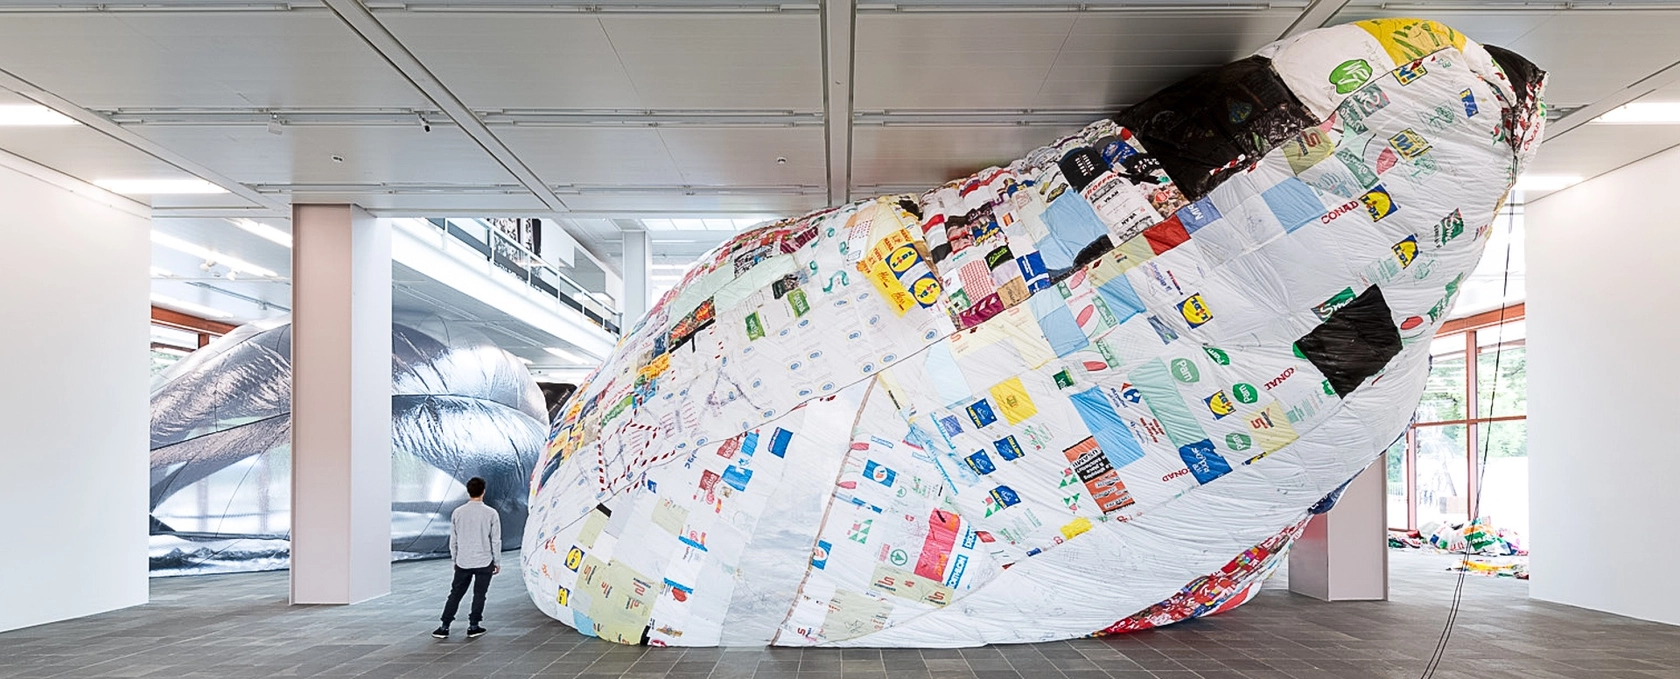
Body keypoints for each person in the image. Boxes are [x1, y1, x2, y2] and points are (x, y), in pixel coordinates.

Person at [433, 477, 501, 639]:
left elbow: (453, 540)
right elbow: (495, 540)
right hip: (484, 560)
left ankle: (444, 626)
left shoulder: (458, 512)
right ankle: (473, 625)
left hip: (463, 560)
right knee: (479, 594)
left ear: (468, 491)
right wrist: (496, 561)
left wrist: (454, 559)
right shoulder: (491, 513)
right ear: (483, 491)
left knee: (455, 593)